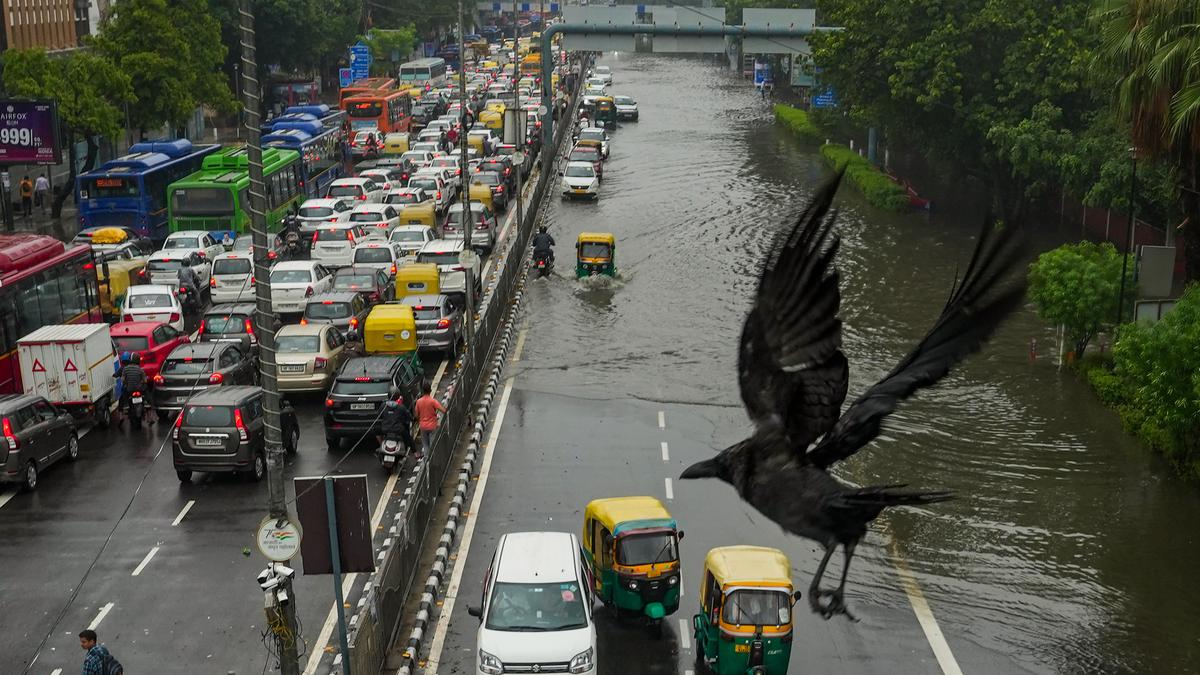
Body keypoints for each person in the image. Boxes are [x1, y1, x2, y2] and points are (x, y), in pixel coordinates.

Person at [414, 382, 444, 460]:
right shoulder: (432, 401)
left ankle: (427, 460)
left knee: (425, 445)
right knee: (432, 444)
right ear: (430, 390)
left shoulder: (418, 402)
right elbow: (443, 410)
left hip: (423, 426)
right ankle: (434, 460)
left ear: (422, 391)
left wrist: (420, 419)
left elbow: (416, 415)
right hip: (432, 426)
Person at [379, 389, 414, 455]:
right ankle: (415, 453)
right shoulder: (401, 407)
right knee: (408, 437)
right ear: (398, 396)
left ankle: (381, 444)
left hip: (385, 429)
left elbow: (379, 415)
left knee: (376, 431)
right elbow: (409, 416)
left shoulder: (383, 406)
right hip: (398, 430)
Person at [119, 352, 149, 422]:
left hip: (129, 390)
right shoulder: (140, 370)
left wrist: (126, 383)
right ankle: (147, 403)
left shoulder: (125, 369)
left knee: (123, 395)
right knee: (146, 393)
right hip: (139, 389)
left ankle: (124, 407)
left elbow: (123, 380)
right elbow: (145, 380)